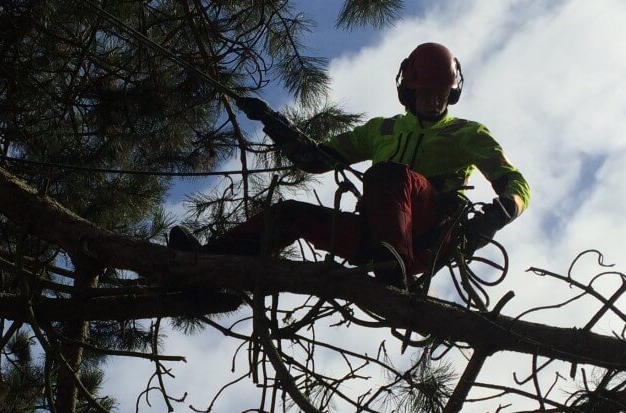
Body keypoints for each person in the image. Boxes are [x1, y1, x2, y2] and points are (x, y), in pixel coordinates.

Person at [168, 42, 530, 282]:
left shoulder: (468, 133)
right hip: (375, 238)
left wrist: (501, 213)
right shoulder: (382, 130)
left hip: (427, 235)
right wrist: (272, 122)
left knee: (389, 175)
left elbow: (515, 182)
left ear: (452, 92)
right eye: (427, 93)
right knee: (290, 214)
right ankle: (207, 269)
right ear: (409, 91)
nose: (435, 101)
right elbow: (315, 159)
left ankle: (394, 269)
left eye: (442, 94)